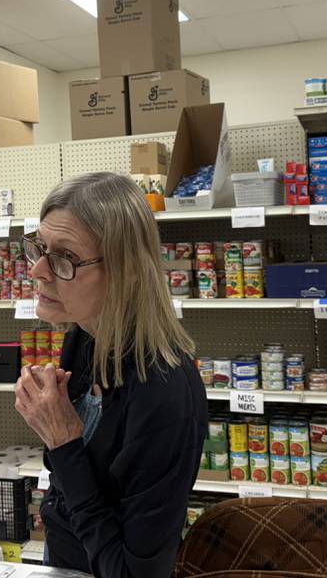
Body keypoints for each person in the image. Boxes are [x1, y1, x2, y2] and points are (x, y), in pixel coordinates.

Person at [14, 172, 208, 577]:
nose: (38, 272)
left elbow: (135, 573)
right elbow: (72, 472)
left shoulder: (165, 394)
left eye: (64, 258)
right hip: (65, 557)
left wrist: (63, 442)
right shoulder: (83, 335)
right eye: (39, 248)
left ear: (126, 269)